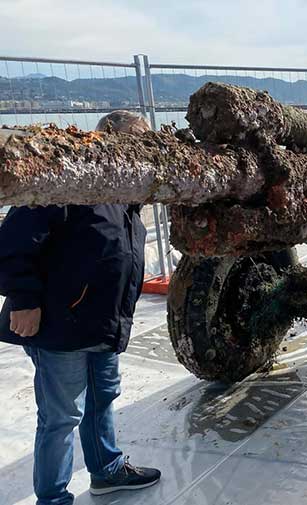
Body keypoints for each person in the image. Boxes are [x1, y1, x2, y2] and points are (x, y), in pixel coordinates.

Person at [0, 111, 160, 505]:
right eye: (135, 144)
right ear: (106, 139)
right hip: (61, 323)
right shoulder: (69, 183)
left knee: (102, 398)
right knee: (61, 416)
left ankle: (106, 470)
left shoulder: (125, 196)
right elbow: (13, 243)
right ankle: (53, 498)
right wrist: (23, 300)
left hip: (103, 323)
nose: (141, 155)